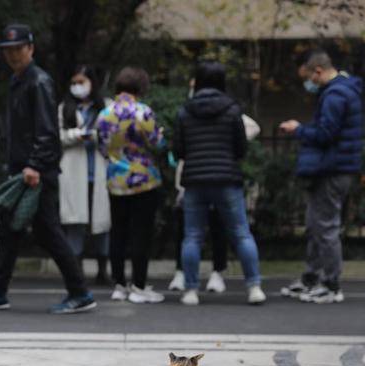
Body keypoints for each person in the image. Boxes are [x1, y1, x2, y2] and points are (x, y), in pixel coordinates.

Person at [0, 23, 96, 314]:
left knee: (48, 233)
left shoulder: (38, 81)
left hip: (36, 172)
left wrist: (35, 165)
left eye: (17, 49)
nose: (12, 55)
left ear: (30, 48)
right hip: (23, 170)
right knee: (9, 233)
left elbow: (47, 131)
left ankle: (80, 293)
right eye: (7, 50)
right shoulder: (19, 80)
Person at [174, 61, 266, 306]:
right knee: (240, 233)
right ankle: (254, 287)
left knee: (192, 236)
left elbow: (179, 149)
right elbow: (240, 148)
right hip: (226, 178)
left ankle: (191, 290)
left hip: (194, 179)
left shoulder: (185, 111)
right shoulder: (232, 110)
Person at [279, 49, 362, 304]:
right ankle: (312, 278)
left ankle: (330, 283)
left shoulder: (335, 95)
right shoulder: (342, 91)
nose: (308, 84)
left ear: (317, 71)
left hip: (332, 169)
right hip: (334, 167)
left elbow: (326, 133)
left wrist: (299, 130)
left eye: (308, 77)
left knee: (324, 227)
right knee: (317, 225)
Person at [96, 67, 165, 304]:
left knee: (118, 232)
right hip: (144, 180)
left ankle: (118, 285)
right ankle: (139, 285)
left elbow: (102, 148)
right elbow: (156, 142)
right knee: (141, 234)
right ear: (140, 87)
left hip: (115, 179)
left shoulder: (104, 114)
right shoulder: (143, 112)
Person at [58, 65, 111, 286]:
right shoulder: (64, 108)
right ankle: (75, 270)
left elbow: (113, 134)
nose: (77, 87)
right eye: (74, 83)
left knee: (103, 222)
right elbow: (57, 136)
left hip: (100, 170)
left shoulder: (106, 107)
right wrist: (77, 135)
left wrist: (97, 136)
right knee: (75, 221)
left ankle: (102, 269)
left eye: (82, 82)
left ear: (92, 83)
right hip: (73, 171)